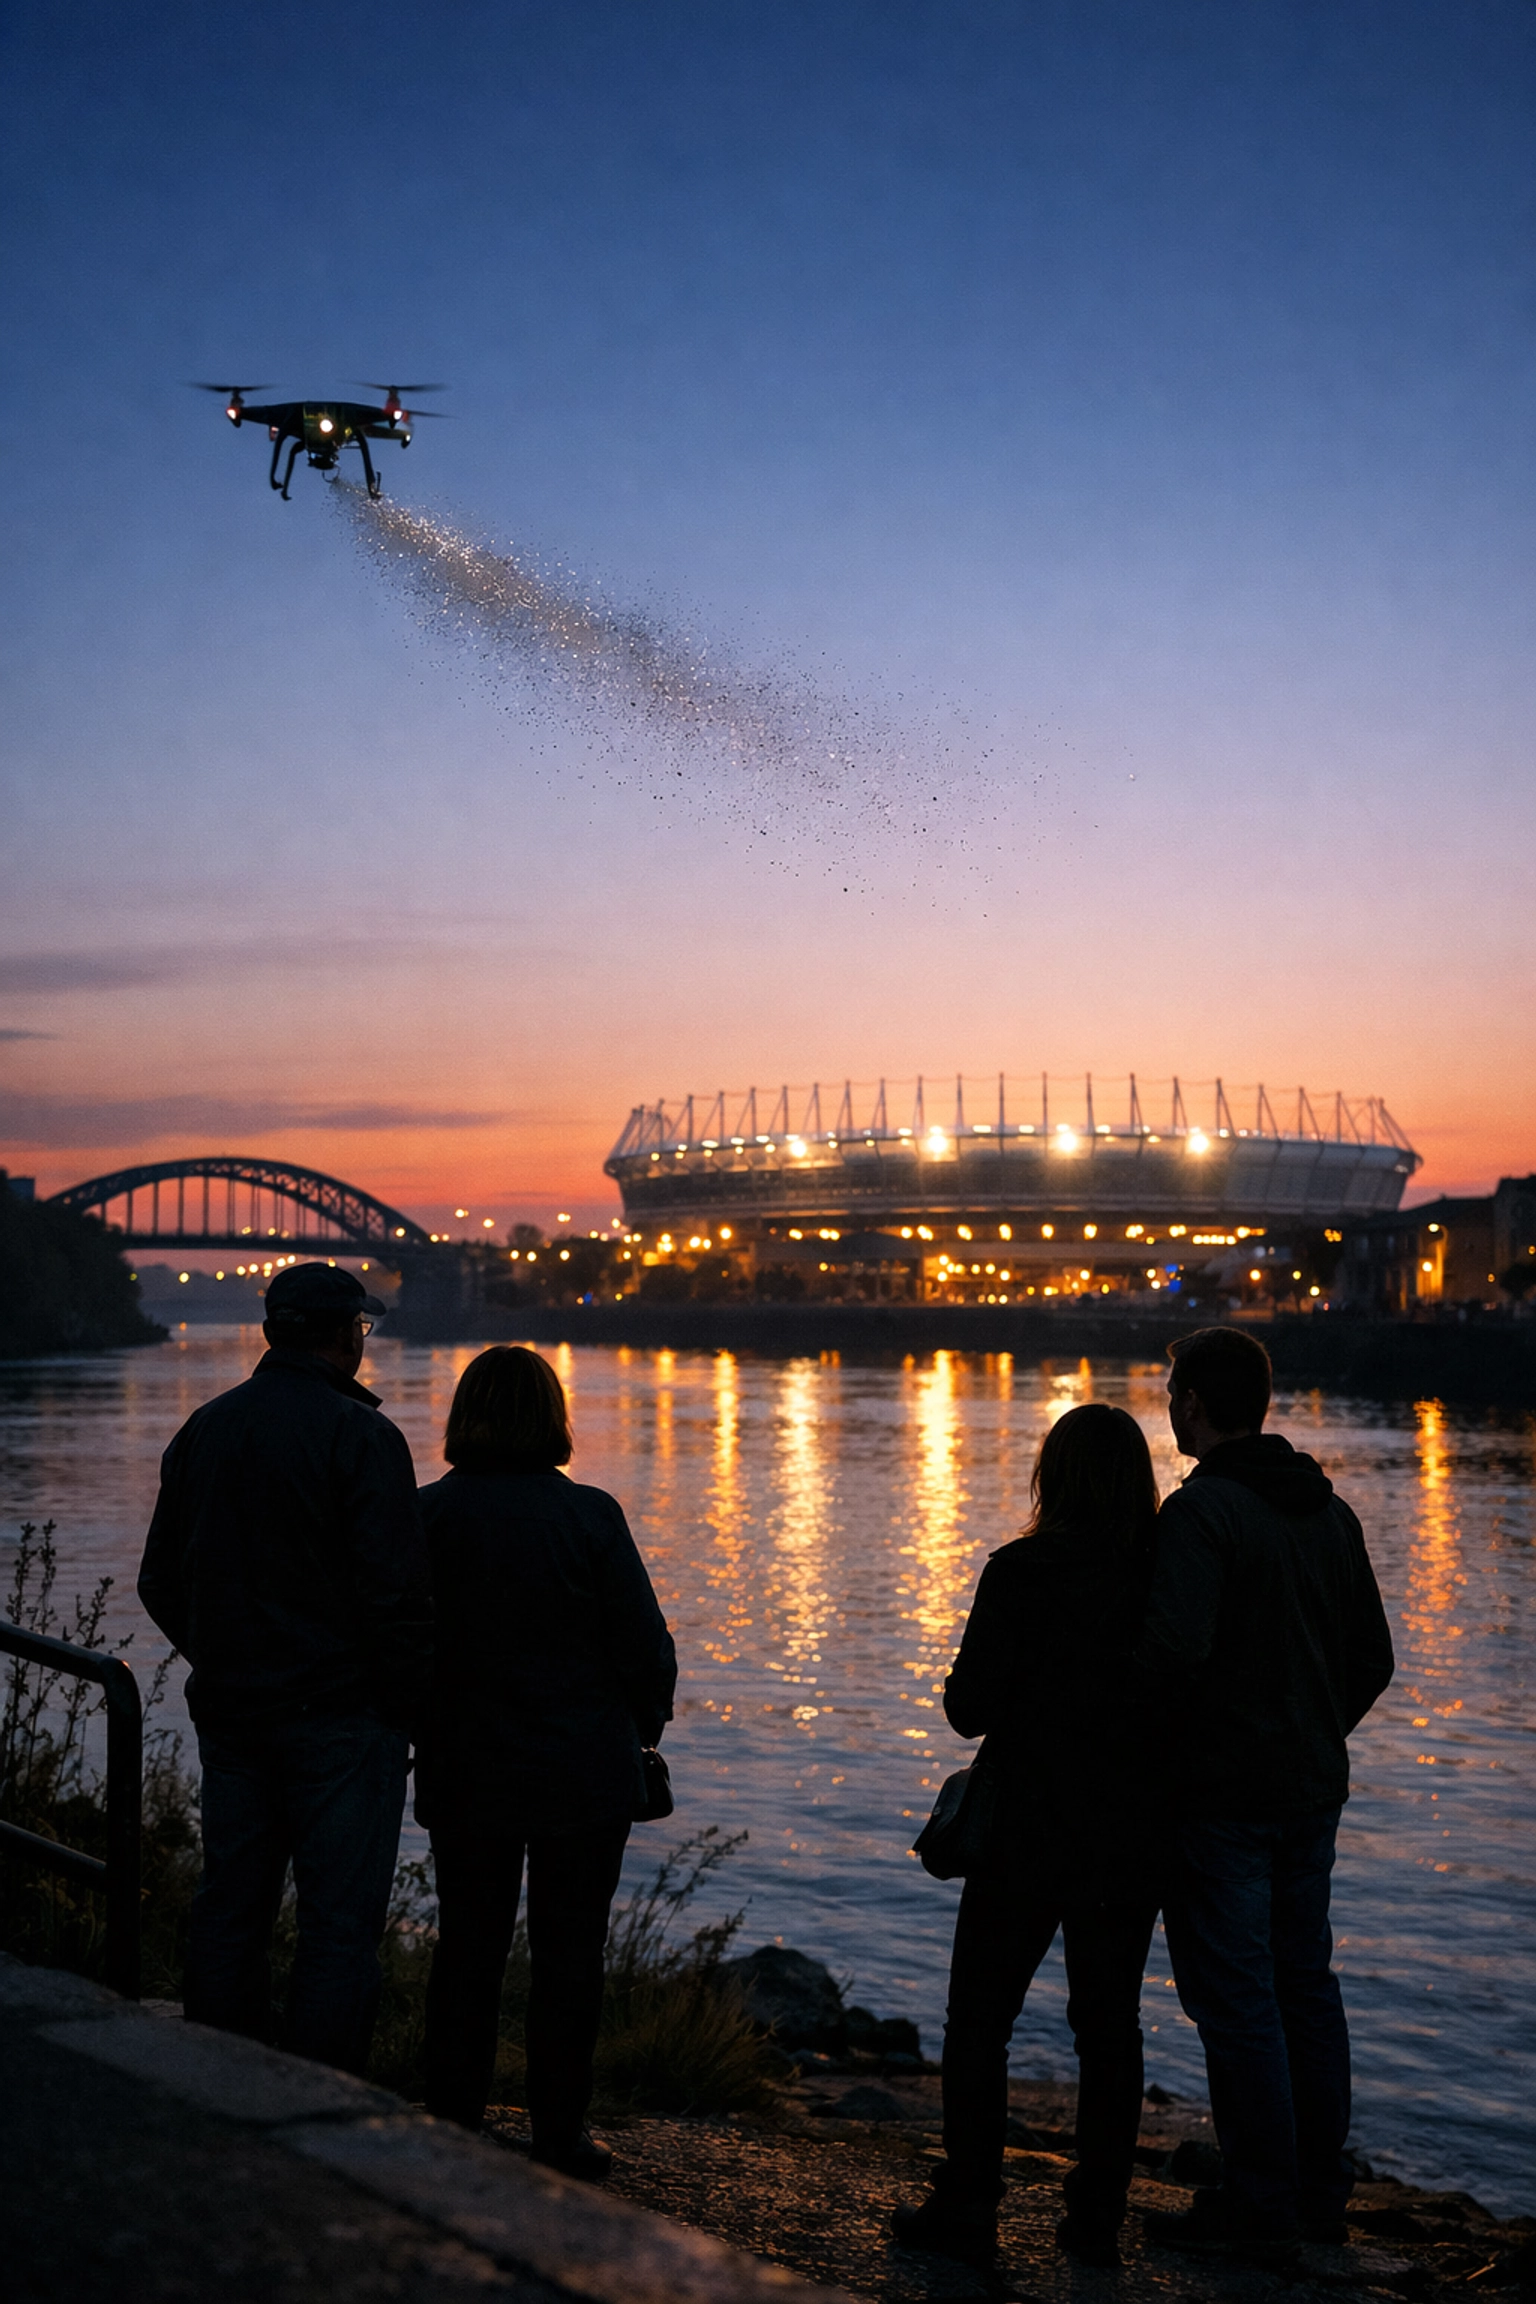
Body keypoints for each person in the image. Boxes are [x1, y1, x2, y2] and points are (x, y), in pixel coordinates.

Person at [1139, 1326, 1395, 2268]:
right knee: (1305, 1989)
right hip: (1310, 1792)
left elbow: (1171, 1659)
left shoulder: (1201, 1516)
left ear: (1197, 1404)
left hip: (1224, 1801)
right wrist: (1315, 1732)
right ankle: (1319, 2195)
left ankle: (1259, 2203)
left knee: (1239, 2000)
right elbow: (1374, 1659)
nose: (1169, 1408)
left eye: (1174, 1393)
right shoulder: (1331, 1515)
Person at [138, 1262, 431, 2075]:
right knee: (338, 1928)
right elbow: (397, 1598)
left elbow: (158, 1579)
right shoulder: (364, 1438)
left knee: (230, 1905)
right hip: (341, 1721)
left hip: (233, 1713)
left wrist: (227, 1654)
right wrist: (399, 1708)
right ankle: (319, 2104)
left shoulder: (206, 1428)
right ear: (346, 1336)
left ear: (274, 1331)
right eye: (360, 1331)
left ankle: (218, 2086)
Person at [894, 1402, 1163, 2269]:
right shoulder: (1165, 1573)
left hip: (1024, 1828)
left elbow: (968, 1708)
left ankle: (970, 2201)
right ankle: (1096, 2224)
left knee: (979, 2018)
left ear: (1053, 1476)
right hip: (1128, 1829)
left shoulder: (1020, 1570)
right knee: (1110, 2028)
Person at [413, 1345, 677, 2180]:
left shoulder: (425, 1517)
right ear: (554, 1417)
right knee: (570, 1954)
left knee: (467, 1948)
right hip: (583, 1772)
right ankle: (559, 2132)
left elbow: (399, 1645)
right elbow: (647, 1650)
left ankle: (452, 2117)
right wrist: (643, 1726)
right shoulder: (591, 1516)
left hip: (468, 1767)